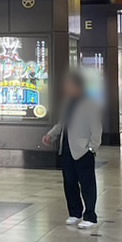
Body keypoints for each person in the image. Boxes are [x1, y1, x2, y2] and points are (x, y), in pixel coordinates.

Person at [42, 71, 103, 229]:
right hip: (67, 149)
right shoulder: (68, 103)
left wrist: (91, 148)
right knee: (69, 182)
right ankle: (75, 213)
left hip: (83, 151)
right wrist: (51, 135)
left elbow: (96, 129)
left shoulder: (89, 104)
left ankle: (90, 215)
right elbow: (61, 124)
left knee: (87, 184)